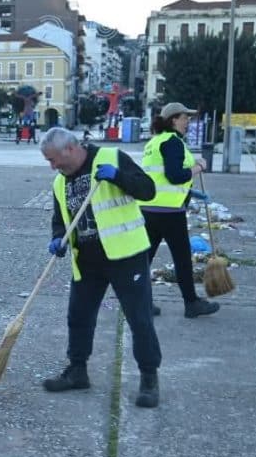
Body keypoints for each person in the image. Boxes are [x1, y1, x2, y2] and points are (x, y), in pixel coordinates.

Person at [39, 127, 164, 408]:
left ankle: (149, 378)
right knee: (78, 316)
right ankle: (77, 370)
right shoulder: (60, 182)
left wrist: (118, 177)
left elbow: (148, 190)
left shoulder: (111, 158)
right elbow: (60, 218)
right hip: (87, 259)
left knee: (139, 318)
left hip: (125, 254)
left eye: (53, 159)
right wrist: (58, 238)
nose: (52, 167)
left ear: (70, 149)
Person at [139, 102, 219, 319]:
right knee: (182, 258)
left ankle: (140, 303)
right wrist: (199, 167)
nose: (188, 122)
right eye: (185, 117)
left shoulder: (154, 142)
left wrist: (192, 193)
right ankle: (191, 303)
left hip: (148, 208)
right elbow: (175, 176)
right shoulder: (173, 142)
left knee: (144, 259)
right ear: (174, 119)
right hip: (169, 212)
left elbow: (160, 178)